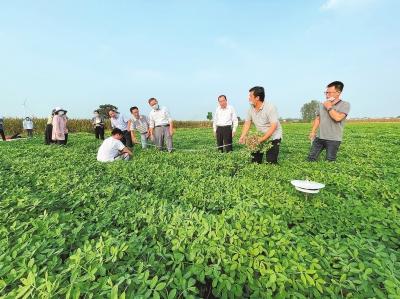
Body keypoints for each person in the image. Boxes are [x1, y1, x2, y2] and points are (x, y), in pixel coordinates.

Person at [308, 81, 350, 162]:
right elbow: (318, 119)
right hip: (319, 137)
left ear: (338, 92)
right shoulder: (321, 105)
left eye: (329, 93)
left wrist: (329, 107)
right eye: (326, 93)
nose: (327, 95)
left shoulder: (345, 104)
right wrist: (313, 131)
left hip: (333, 139)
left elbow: (337, 118)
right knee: (310, 159)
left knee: (330, 161)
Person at [239, 86, 283, 164]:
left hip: (273, 136)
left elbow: (273, 126)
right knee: (255, 161)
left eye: (250, 96)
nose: (249, 98)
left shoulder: (270, 107)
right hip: (260, 135)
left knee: (270, 162)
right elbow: (247, 123)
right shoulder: (251, 108)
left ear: (257, 98)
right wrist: (243, 135)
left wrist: (262, 139)